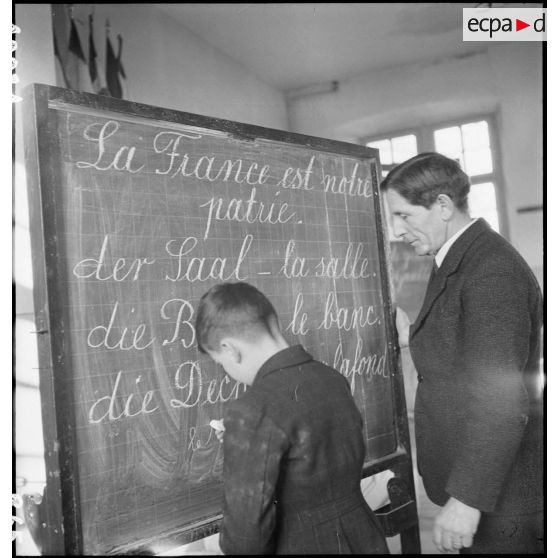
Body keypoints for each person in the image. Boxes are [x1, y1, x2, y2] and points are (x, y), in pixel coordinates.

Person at [381, 152, 544, 554]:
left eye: (404, 215)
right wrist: (413, 336)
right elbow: (462, 346)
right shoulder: (457, 257)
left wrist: (468, 499)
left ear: (442, 206)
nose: (397, 230)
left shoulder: (490, 271)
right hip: (484, 483)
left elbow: (502, 400)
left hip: (503, 501)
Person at [195, 282, 389, 555]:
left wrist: (246, 437)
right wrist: (247, 442)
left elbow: (246, 537)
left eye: (221, 363)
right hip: (363, 536)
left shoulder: (252, 409)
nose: (227, 372)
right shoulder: (331, 378)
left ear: (230, 349)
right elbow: (310, 453)